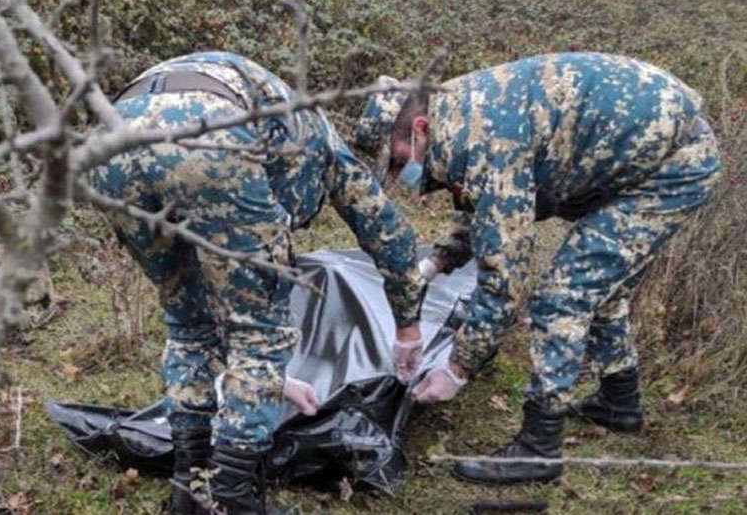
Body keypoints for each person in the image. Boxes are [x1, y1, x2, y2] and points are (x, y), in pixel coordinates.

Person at [353, 52, 721, 485]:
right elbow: (483, 208)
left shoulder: (484, 137)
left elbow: (504, 277)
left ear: (419, 129)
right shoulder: (458, 113)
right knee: (603, 286)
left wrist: (458, 369)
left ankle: (539, 448)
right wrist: (434, 264)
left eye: (396, 162)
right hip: (642, 155)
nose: (398, 176)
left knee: (563, 296)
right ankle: (619, 404)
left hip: (672, 168)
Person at [90, 51, 427, 514]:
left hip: (111, 134)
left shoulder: (288, 119)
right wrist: (408, 327)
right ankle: (233, 498)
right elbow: (391, 237)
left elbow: (214, 291)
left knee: (188, 324)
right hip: (208, 132)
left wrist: (272, 379)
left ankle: (189, 489)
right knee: (261, 331)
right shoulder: (329, 149)